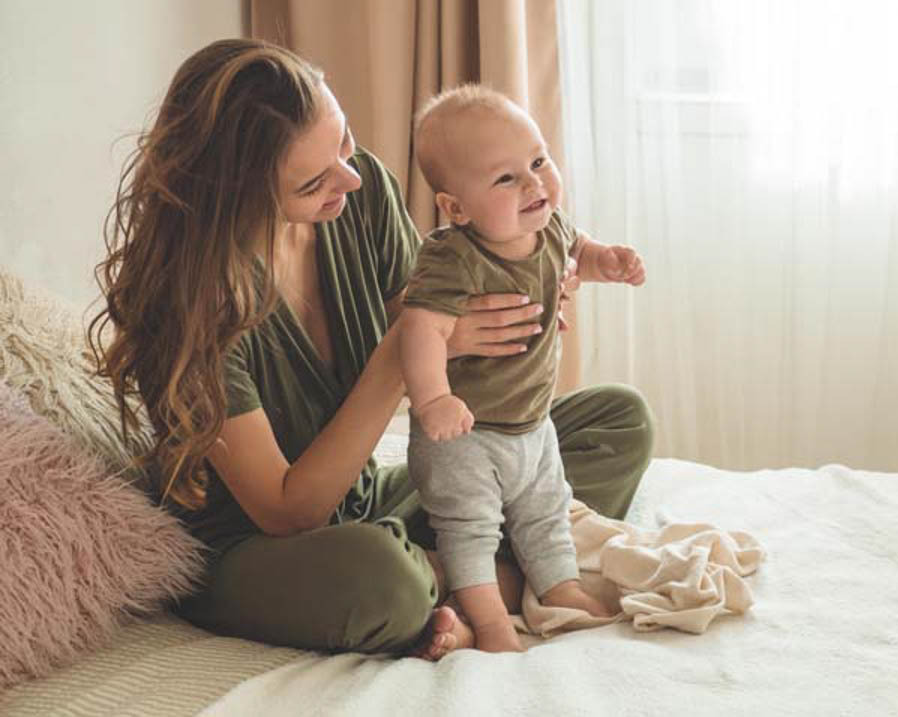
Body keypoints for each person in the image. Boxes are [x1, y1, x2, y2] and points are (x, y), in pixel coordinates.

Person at [89, 38, 654, 661]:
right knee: (380, 579)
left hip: (366, 498)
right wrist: (399, 353)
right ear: (237, 193)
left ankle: (464, 584)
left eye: (344, 141)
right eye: (314, 181)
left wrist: (518, 313)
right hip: (262, 549)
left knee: (616, 420)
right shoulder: (186, 307)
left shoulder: (361, 195)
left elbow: (440, 333)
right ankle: (481, 581)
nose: (351, 177)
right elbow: (288, 511)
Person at [401, 86, 646, 652]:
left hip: (532, 425)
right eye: (506, 179)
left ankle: (559, 587)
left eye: (538, 161)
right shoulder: (451, 257)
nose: (535, 185)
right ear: (456, 208)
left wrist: (606, 262)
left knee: (547, 510)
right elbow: (420, 328)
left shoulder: (549, 227)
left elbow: (578, 250)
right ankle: (488, 622)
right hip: (465, 436)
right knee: (469, 529)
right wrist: (434, 398)